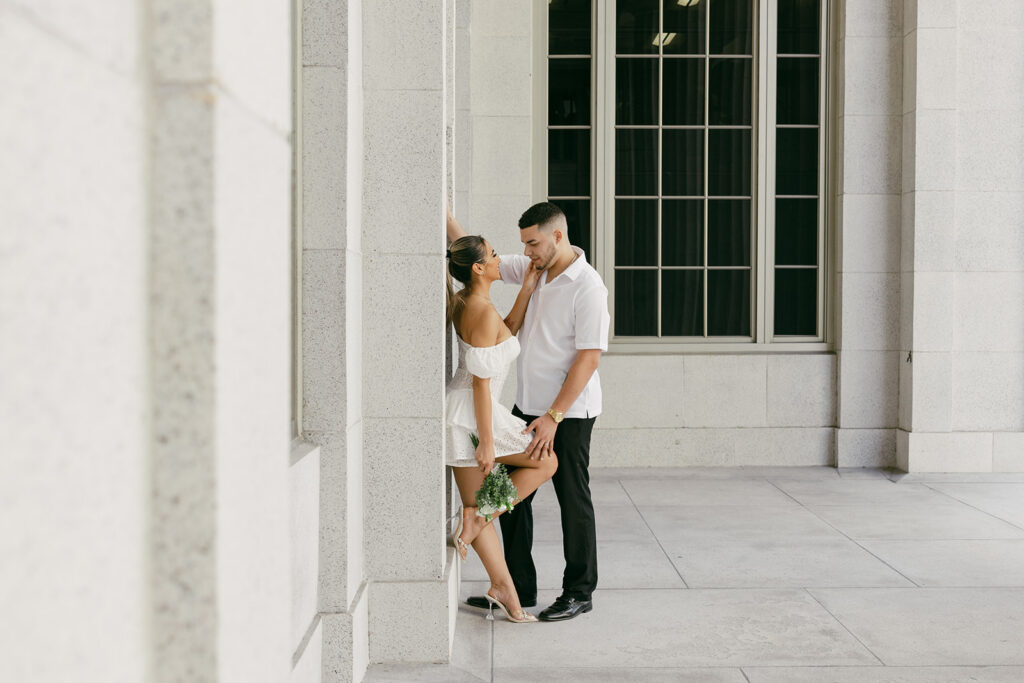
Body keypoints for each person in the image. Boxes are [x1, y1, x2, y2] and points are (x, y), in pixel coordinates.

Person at [447, 202, 609, 622]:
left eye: (532, 243)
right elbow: (475, 263)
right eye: (523, 245)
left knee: (573, 499)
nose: (525, 254)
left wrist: (554, 417)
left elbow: (588, 360)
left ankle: (579, 591)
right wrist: (448, 219)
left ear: (557, 236)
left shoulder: (588, 287)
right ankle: (518, 587)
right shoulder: (535, 265)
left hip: (566, 413)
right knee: (516, 507)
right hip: (523, 408)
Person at [445, 234, 557, 623]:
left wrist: (526, 287)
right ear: (478, 268)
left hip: (469, 412)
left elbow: (505, 329)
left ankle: (504, 591)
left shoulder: (468, 302)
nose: (498, 259)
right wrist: (488, 443)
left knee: (477, 506)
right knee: (547, 462)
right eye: (492, 255)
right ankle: (481, 519)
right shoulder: (479, 309)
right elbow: (479, 380)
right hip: (473, 415)